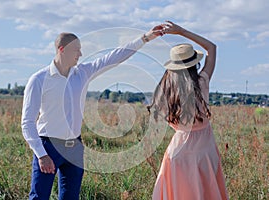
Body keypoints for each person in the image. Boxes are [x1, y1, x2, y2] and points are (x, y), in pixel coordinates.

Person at [21, 25, 165, 200]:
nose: (80, 54)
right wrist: (42, 155)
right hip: (48, 146)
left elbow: (113, 57)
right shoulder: (38, 80)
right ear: (62, 50)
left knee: (71, 197)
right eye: (77, 50)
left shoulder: (83, 73)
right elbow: (27, 123)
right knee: (39, 197)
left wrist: (145, 38)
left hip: (74, 147)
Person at [148, 21, 229, 200]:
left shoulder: (166, 91)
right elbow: (212, 47)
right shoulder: (202, 83)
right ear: (194, 64)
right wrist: (181, 31)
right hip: (204, 153)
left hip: (177, 153)